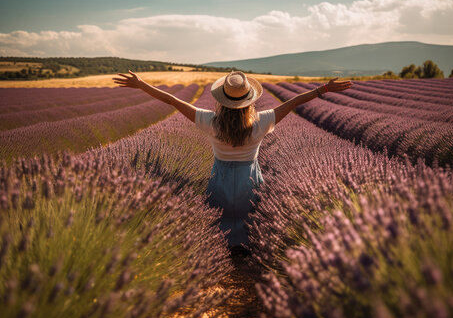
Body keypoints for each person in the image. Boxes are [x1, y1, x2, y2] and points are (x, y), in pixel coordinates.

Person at [113, 70, 353, 253]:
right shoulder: (261, 122)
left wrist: (142, 84)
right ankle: (249, 246)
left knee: (220, 214)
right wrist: (323, 89)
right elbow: (293, 103)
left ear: (222, 98)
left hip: (221, 180)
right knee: (252, 213)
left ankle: (223, 247)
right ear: (249, 99)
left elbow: (173, 101)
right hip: (250, 180)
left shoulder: (210, 121)